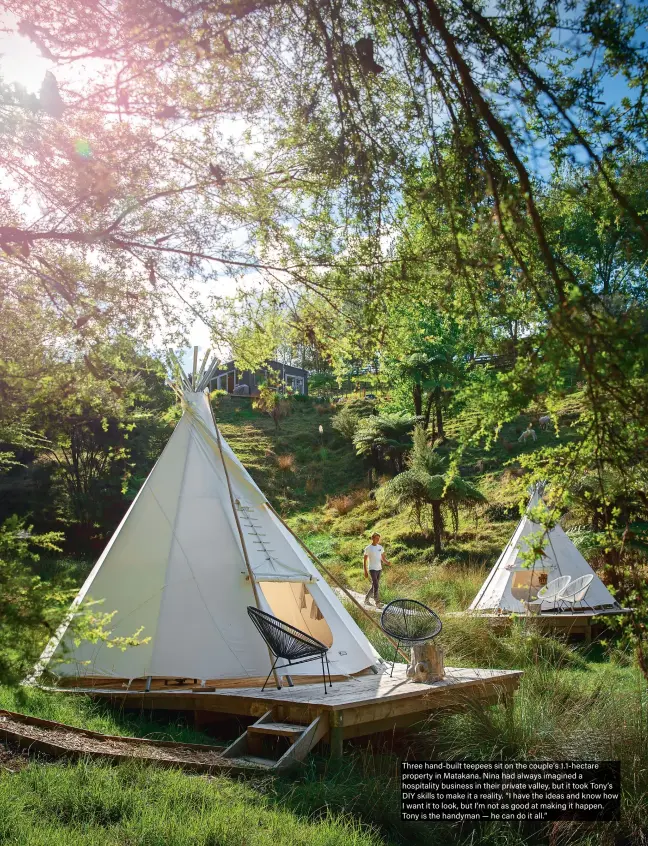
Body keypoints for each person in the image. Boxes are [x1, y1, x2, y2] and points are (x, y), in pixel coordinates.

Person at [363, 532, 391, 608]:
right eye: (376, 538)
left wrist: (387, 562)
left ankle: (366, 600)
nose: (378, 540)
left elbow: (383, 558)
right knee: (376, 585)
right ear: (372, 538)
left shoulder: (380, 547)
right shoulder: (368, 548)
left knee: (374, 586)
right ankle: (377, 602)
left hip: (379, 569)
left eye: (379, 538)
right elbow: (364, 560)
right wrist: (365, 571)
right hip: (372, 569)